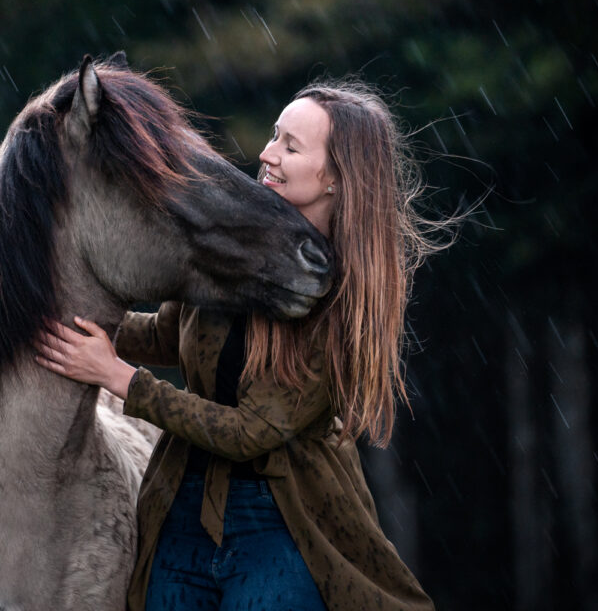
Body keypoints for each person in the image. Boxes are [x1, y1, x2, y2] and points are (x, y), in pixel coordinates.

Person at [36, 80, 454, 611]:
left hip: (282, 518)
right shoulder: (237, 244)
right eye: (275, 135)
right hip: (181, 504)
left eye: (290, 146)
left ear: (336, 178)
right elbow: (170, 335)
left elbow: (249, 432)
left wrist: (119, 378)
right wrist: (73, 323)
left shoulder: (345, 293)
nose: (266, 153)